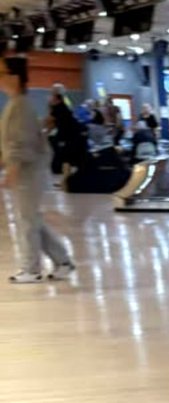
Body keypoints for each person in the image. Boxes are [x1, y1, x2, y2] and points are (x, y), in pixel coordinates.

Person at [0, 56, 75, 284]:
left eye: (3, 73)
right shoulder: (16, 104)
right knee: (31, 219)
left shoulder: (20, 105)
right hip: (26, 170)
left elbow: (21, 143)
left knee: (27, 221)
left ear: (14, 77)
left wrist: (12, 168)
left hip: (28, 172)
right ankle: (63, 262)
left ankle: (31, 268)